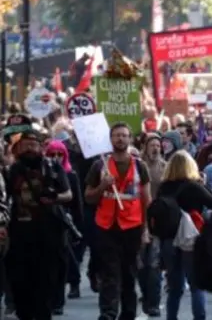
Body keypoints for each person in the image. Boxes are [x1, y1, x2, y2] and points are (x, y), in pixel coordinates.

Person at [85, 123, 152, 320]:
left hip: (132, 227)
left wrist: (146, 229)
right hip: (106, 226)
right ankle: (108, 313)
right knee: (109, 273)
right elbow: (88, 196)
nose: (120, 139)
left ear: (130, 139)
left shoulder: (140, 166)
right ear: (110, 139)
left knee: (129, 273)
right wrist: (102, 186)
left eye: (124, 135)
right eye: (116, 135)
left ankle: (128, 313)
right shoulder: (99, 166)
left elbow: (146, 200)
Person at [6, 129, 72, 320]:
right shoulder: (12, 171)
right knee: (21, 289)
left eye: (33, 145)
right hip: (19, 238)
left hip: (48, 238)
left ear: (40, 147)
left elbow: (68, 195)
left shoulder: (53, 168)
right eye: (25, 145)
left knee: (46, 288)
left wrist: (54, 197)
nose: (30, 149)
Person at [157, 150, 212, 320]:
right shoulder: (194, 186)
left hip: (169, 238)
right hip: (192, 238)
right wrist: (203, 184)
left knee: (174, 288)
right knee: (196, 285)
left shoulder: (164, 187)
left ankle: (171, 317)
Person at [44, 140, 83, 313]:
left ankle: (71, 284)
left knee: (65, 257)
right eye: (53, 154)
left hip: (66, 221)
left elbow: (76, 203)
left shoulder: (71, 175)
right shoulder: (43, 174)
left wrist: (80, 225)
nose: (57, 158)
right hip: (46, 221)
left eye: (60, 154)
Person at [138, 134, 166, 317]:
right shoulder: (138, 166)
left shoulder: (166, 167)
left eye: (158, 145)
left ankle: (154, 302)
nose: (155, 148)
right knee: (140, 264)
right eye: (152, 145)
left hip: (158, 220)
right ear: (146, 147)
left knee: (154, 263)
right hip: (138, 218)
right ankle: (146, 296)